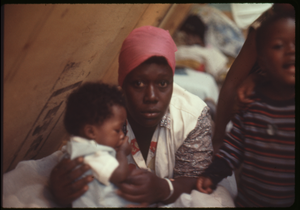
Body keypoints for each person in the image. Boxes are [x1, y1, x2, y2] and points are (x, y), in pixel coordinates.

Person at [50, 25, 236, 207]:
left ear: (172, 82)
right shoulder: (102, 113)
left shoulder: (193, 116)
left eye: (163, 83)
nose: (151, 97)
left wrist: (164, 188)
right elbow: (77, 156)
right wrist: (61, 185)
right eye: (138, 83)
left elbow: (198, 179)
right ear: (122, 83)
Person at [197, 10, 295, 207]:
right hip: (249, 201)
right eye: (278, 45)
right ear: (261, 61)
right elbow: (234, 147)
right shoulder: (251, 106)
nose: (291, 50)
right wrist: (213, 173)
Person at [212, 3, 295, 153]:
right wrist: (218, 139)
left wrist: (258, 79)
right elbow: (231, 84)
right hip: (260, 132)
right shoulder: (263, 32)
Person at [62, 82, 138, 207]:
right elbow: (119, 175)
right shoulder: (93, 153)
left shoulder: (73, 148)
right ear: (91, 132)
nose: (122, 136)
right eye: (117, 130)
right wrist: (122, 153)